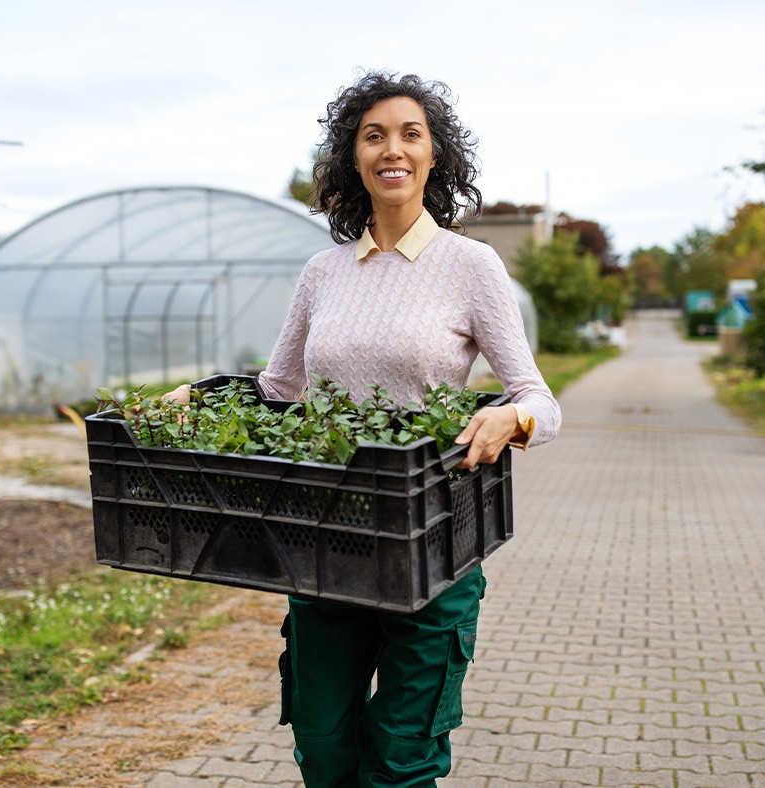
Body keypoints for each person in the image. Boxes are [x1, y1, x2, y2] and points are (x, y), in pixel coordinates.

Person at [169, 70, 560, 786]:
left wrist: (510, 414)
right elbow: (277, 389)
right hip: (326, 537)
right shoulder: (323, 272)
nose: (393, 150)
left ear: (435, 155)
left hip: (434, 538)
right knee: (322, 746)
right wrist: (202, 397)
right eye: (373, 135)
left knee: (402, 759)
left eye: (411, 134)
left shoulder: (471, 266)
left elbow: (541, 398)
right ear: (353, 158)